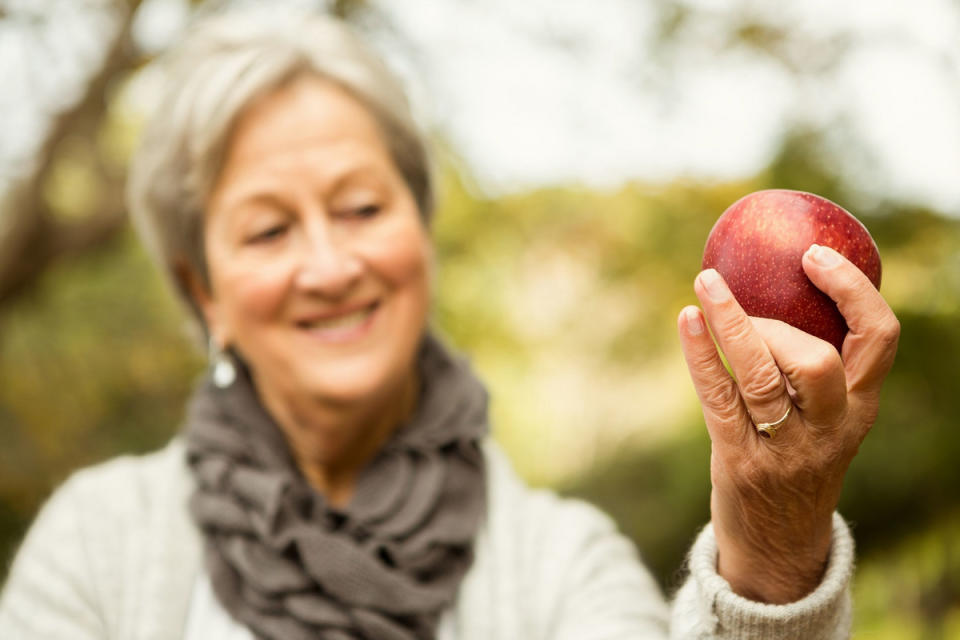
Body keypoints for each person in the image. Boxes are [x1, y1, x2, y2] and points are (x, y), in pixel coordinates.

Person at [0, 8, 900, 640]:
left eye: (360, 208)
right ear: (204, 295)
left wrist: (771, 540)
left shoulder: (562, 565)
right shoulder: (98, 544)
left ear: (419, 233)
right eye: (270, 229)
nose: (330, 264)